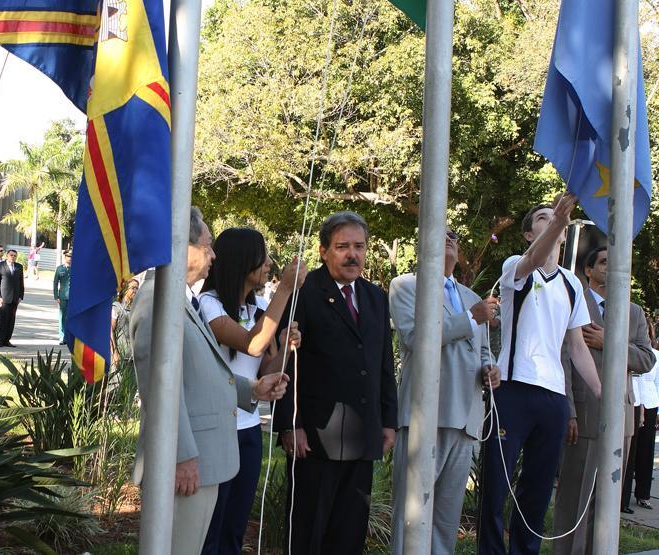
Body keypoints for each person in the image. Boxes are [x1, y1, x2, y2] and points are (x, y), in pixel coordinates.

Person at [130, 206, 290, 555]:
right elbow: (159, 391)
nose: (213, 254)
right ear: (179, 246)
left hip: (209, 457)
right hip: (188, 462)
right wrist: (183, 456)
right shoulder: (158, 302)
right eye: (207, 245)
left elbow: (201, 375)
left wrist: (252, 389)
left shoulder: (180, 301)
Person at [478, 194, 602, 555]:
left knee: (538, 486)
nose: (552, 221)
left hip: (553, 397)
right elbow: (534, 260)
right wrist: (561, 219)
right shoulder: (516, 264)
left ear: (564, 236)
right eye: (544, 219)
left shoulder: (572, 284)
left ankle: (524, 550)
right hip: (513, 390)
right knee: (496, 484)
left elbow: (576, 346)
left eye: (556, 219)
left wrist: (601, 394)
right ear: (530, 234)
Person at [273, 210, 398, 554]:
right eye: (343, 246)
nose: (352, 254)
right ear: (324, 250)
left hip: (362, 434)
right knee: (309, 533)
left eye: (359, 246)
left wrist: (389, 421)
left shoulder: (374, 297)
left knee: (348, 534)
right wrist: (289, 424)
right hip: (314, 438)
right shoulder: (304, 292)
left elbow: (383, 363)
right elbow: (286, 361)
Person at [388, 229, 500, 555]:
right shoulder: (407, 286)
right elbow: (415, 337)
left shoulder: (468, 295)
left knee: (446, 520)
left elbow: (481, 350)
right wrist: (471, 317)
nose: (447, 238)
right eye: (439, 232)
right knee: (411, 515)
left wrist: (490, 368)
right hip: (427, 415)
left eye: (453, 235)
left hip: (466, 419)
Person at [198, 229, 305, 555]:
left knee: (235, 526)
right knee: (210, 528)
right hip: (217, 431)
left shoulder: (259, 308)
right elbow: (252, 343)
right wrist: (285, 289)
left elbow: (266, 370)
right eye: (263, 257)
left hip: (248, 431)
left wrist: (285, 346)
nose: (270, 264)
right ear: (243, 260)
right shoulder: (209, 304)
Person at [552, 245, 654, 553]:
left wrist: (609, 341)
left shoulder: (633, 311)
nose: (611, 268)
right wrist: (568, 410)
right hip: (582, 416)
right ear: (588, 270)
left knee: (606, 503)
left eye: (616, 262)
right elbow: (564, 358)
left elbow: (646, 359)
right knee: (573, 500)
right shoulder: (572, 301)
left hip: (620, 419)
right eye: (604, 262)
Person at [628, 328, 659, 512]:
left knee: (646, 453)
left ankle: (643, 495)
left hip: (650, 403)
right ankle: (623, 497)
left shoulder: (655, 355)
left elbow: (657, 383)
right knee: (631, 451)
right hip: (634, 402)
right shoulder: (631, 351)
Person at [0, 248, 25, 347]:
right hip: (4, 298)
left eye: (15, 256)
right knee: (3, 319)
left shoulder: (19, 267)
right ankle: (0, 340)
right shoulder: (0, 266)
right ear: (7, 255)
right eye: (11, 255)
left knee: (11, 320)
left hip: (15, 299)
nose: (13, 257)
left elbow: (21, 283)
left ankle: (7, 340)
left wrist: (21, 296)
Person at [111, 278, 140, 367]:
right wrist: (115, 352)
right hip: (119, 356)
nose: (135, 290)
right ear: (125, 289)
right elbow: (110, 331)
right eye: (133, 288)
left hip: (133, 356)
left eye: (137, 288)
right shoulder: (116, 307)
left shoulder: (137, 308)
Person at [53, 249, 72, 345]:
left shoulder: (77, 268)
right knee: (62, 317)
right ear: (65, 257)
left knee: (72, 317)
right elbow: (56, 283)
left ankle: (70, 337)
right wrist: (56, 296)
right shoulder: (60, 268)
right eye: (68, 256)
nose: (70, 258)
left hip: (74, 297)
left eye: (71, 257)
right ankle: (62, 337)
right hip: (63, 296)